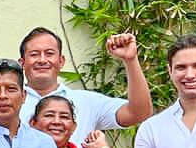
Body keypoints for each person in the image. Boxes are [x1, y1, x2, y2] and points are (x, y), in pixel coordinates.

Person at [17, 27, 152, 134]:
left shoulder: (87, 102)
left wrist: (130, 60)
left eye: (49, 54)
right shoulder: (9, 103)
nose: (42, 60)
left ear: (61, 61)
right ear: (22, 63)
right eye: (34, 54)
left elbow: (139, 113)